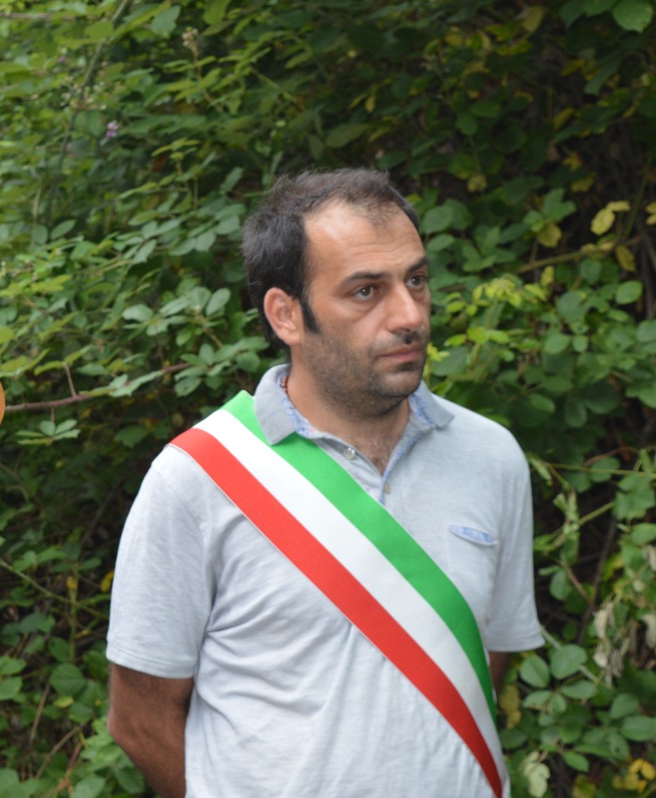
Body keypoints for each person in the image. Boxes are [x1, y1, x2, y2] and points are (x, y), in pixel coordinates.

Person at [105, 168, 542, 797]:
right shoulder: (199, 479)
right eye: (366, 291)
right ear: (286, 314)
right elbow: (140, 720)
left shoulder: (490, 455)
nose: (409, 316)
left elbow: (481, 663)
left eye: (416, 280)